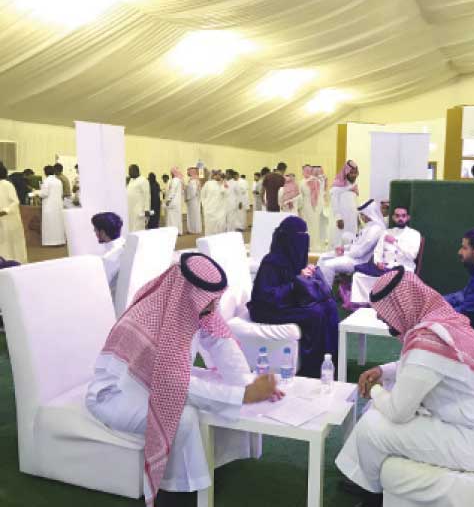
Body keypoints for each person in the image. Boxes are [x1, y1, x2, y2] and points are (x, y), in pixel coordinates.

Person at [85, 253, 282, 506]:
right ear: (190, 295)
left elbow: (220, 343)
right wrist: (244, 395)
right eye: (210, 302)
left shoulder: (191, 306)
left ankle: (208, 469)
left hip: (150, 383)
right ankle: (174, 494)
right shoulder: (150, 318)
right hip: (116, 395)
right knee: (181, 415)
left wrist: (247, 383)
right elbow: (174, 385)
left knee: (219, 388)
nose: (214, 307)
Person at [335, 268, 474, 506]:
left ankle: (374, 495)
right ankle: (366, 476)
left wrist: (376, 389)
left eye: (383, 313)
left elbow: (399, 412)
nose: (381, 319)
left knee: (372, 424)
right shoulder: (443, 321)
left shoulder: (428, 341)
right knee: (377, 411)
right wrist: (383, 372)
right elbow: (422, 368)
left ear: (400, 307)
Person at [248, 217, 339, 377]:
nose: (303, 239)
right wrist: (296, 281)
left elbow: (297, 285)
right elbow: (266, 297)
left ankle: (330, 359)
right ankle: (311, 369)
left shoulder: (295, 258)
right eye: (299, 235)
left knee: (329, 306)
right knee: (315, 313)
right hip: (266, 309)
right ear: (288, 237)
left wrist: (307, 274)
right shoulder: (272, 261)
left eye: (305, 234)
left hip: (285, 303)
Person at [351, 206, 422, 304]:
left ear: (408, 217)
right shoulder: (386, 232)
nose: (400, 218)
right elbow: (377, 251)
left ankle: (389, 306)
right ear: (393, 217)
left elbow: (412, 256)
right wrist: (378, 262)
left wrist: (395, 242)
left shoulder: (414, 234)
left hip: (404, 269)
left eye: (403, 216)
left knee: (393, 279)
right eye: (397, 216)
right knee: (358, 276)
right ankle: (365, 304)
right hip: (385, 267)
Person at [316, 199, 386, 288]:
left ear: (368, 214)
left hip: (360, 261)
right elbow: (356, 243)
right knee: (323, 257)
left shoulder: (376, 229)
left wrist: (345, 253)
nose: (362, 217)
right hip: (353, 256)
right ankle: (318, 290)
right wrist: (343, 248)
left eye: (362, 215)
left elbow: (360, 252)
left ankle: (325, 295)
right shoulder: (369, 227)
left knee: (327, 265)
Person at [92, 212, 126, 298]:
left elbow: (100, 287)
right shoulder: (128, 244)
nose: (94, 231)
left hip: (113, 300)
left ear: (102, 233)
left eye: (95, 229)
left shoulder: (109, 258)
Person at [0, 163, 28, 263]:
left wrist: (5, 211)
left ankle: (16, 263)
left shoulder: (7, 184)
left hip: (10, 219)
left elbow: (15, 201)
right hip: (1, 221)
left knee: (12, 244)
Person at [33, 165, 66, 246]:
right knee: (58, 224)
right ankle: (60, 241)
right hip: (58, 206)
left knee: (50, 224)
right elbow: (61, 193)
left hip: (49, 206)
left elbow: (44, 193)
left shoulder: (46, 181)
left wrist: (36, 192)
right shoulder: (58, 181)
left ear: (45, 172)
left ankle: (50, 242)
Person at [330, 160, 359, 247]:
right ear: (346, 173)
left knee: (351, 240)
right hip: (342, 219)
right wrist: (338, 218)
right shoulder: (337, 187)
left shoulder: (353, 186)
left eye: (355, 173)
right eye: (351, 173)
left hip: (352, 219)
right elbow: (334, 204)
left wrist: (357, 216)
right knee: (339, 240)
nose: (354, 175)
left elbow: (354, 203)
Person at [300, 165, 325, 251]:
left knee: (308, 224)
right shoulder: (316, 180)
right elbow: (320, 193)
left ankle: (308, 244)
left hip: (306, 204)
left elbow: (301, 195)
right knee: (314, 224)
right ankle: (313, 244)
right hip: (315, 205)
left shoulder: (303, 182)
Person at [201, 170, 228, 236]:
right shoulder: (208, 183)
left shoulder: (225, 184)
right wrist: (204, 206)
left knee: (221, 226)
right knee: (210, 226)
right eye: (216, 174)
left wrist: (222, 184)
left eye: (219, 174)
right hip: (209, 210)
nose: (218, 176)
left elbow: (226, 192)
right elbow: (202, 195)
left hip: (220, 211)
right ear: (213, 176)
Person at [126, 164, 150, 232]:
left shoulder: (143, 180)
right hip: (131, 210)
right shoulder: (131, 180)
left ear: (136, 171)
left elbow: (147, 195)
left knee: (139, 229)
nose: (129, 173)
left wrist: (147, 210)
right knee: (131, 228)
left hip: (139, 210)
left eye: (130, 171)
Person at [165, 167, 184, 234]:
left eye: (171, 172)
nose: (171, 174)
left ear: (173, 173)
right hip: (177, 202)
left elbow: (172, 191)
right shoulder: (179, 180)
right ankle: (178, 231)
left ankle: (173, 232)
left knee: (172, 217)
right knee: (177, 217)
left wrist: (168, 200)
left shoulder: (175, 180)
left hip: (173, 202)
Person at [185, 167, 202, 234]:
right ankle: (193, 229)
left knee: (194, 215)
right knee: (194, 215)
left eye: (188, 171)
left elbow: (193, 191)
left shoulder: (193, 181)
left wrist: (187, 197)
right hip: (194, 200)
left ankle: (194, 230)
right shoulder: (195, 180)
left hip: (192, 200)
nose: (187, 173)